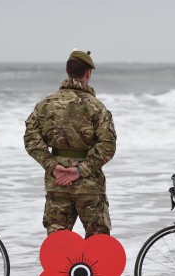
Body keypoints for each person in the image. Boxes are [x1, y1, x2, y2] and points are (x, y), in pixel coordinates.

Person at [24, 50, 116, 238]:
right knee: (98, 243)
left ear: (67, 70)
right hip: (89, 184)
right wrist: (80, 170)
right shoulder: (97, 107)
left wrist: (52, 166)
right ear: (88, 73)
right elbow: (108, 145)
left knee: (57, 243)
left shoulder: (45, 105)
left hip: (57, 182)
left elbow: (31, 139)